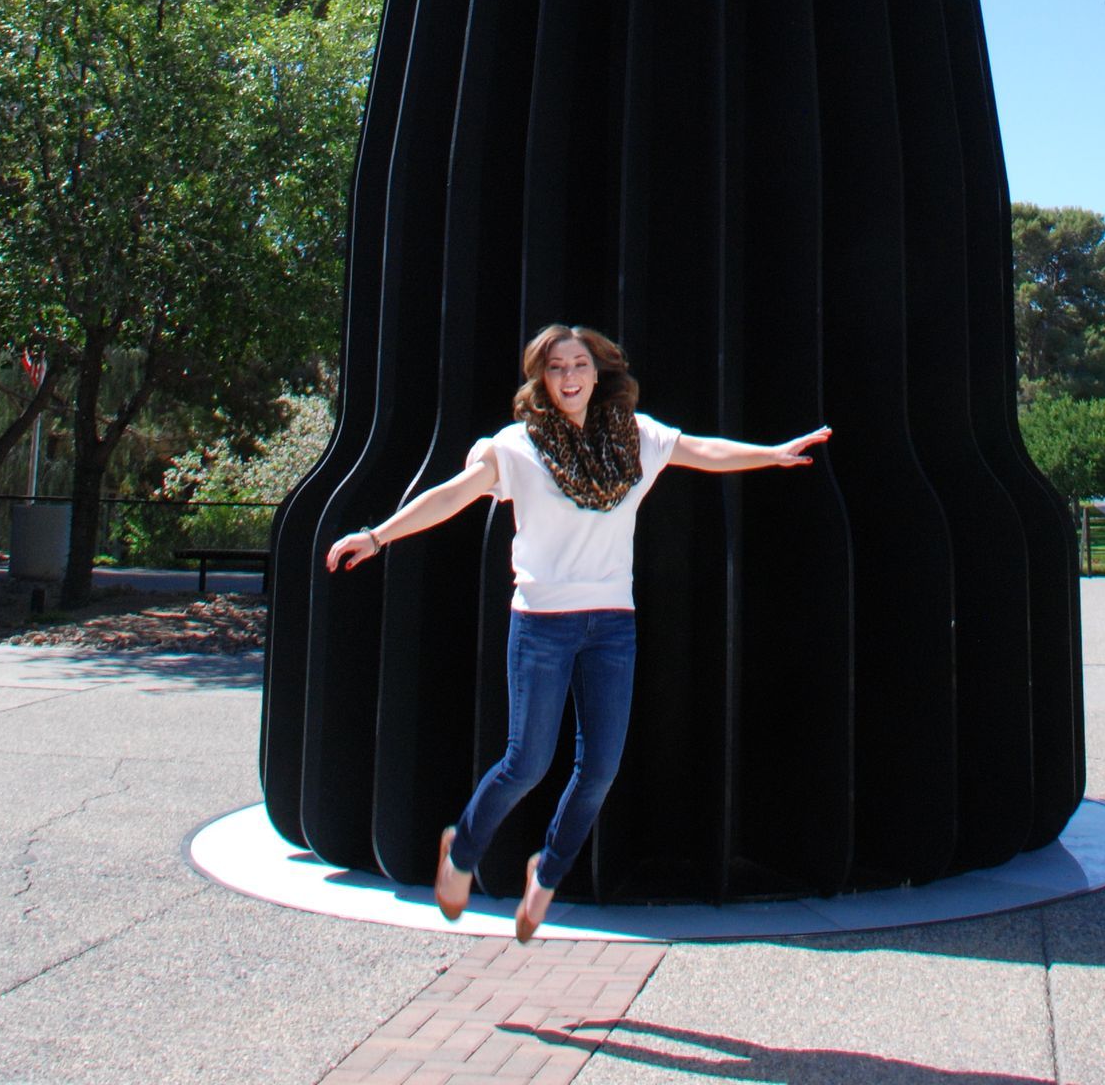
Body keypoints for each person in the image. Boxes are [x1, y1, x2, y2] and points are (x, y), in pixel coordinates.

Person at [327, 324, 829, 940]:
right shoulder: (517, 446)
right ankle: (463, 850)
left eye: (579, 365)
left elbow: (702, 451)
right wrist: (377, 536)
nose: (569, 377)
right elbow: (452, 496)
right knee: (527, 764)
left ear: (599, 372)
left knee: (600, 771)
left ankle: (548, 871)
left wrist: (772, 453)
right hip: (541, 624)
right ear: (542, 379)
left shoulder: (634, 436)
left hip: (612, 625)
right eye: (556, 367)